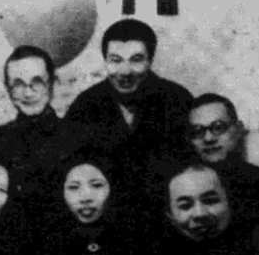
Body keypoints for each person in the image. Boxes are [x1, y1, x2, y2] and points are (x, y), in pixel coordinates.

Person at [64, 18, 193, 227]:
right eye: (115, 60)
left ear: (150, 60)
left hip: (168, 223)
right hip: (106, 225)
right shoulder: (85, 106)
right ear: (105, 61)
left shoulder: (177, 100)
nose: (125, 71)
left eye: (136, 59)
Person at [0, 46, 85, 227]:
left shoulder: (77, 138)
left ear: (52, 83)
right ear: (8, 88)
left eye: (37, 82)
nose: (28, 93)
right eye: (18, 84)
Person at [187, 92, 259, 232]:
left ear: (238, 129)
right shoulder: (182, 187)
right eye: (198, 131)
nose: (208, 138)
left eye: (218, 127)